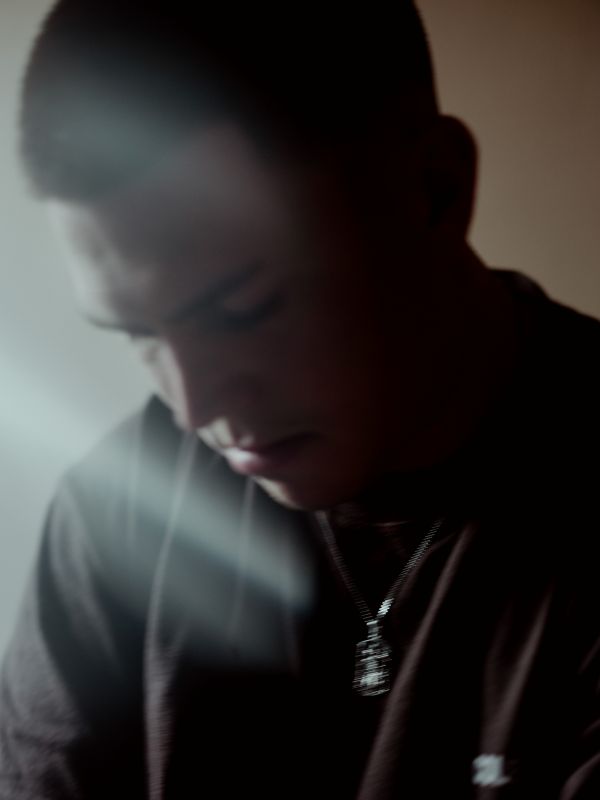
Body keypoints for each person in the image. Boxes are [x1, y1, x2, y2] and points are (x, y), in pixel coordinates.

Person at [1, 1, 599, 797]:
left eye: (242, 309)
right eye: (137, 331)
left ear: (435, 189)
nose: (194, 408)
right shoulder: (119, 512)